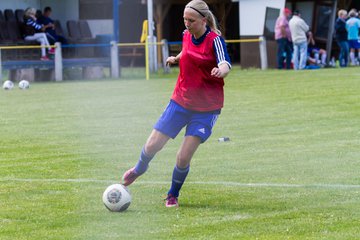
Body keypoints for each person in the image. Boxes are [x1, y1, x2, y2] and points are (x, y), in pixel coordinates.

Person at [121, 0, 231, 208]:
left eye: (191, 20)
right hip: (180, 101)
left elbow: (225, 63)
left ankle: (173, 194)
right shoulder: (186, 34)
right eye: (184, 20)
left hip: (206, 109)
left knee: (183, 157)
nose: (187, 24)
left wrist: (221, 70)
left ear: (204, 20)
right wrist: (176, 58)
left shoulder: (215, 40)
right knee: (152, 144)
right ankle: (138, 169)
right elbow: (187, 51)